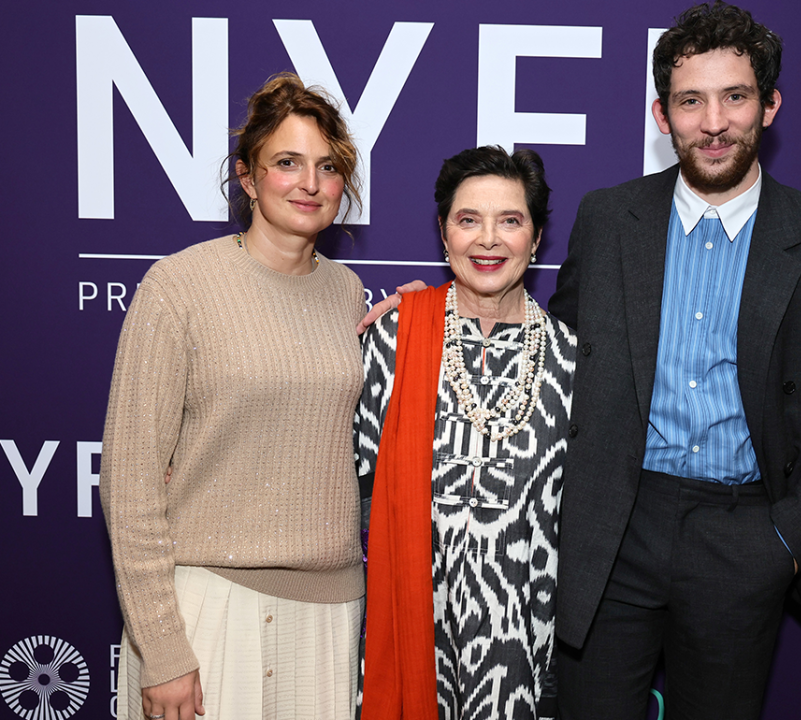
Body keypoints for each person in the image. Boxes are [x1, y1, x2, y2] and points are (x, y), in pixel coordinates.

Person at [547, 3, 801, 719]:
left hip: (746, 536)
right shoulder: (606, 220)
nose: (714, 121)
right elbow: (554, 355)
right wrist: (445, 314)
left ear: (770, 104)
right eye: (690, 100)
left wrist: (785, 542)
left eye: (735, 96)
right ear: (663, 115)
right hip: (615, 530)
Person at [100, 73, 368, 720]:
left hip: (328, 612)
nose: (310, 183)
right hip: (204, 605)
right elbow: (129, 480)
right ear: (247, 178)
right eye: (287, 163)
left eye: (327, 167)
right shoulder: (179, 287)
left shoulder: (349, 295)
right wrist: (162, 649)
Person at [355, 146, 577, 720]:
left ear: (536, 235)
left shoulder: (573, 361)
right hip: (406, 632)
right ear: (443, 231)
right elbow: (347, 489)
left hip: (522, 651)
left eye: (510, 220)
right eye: (468, 219)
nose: (488, 240)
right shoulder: (394, 338)